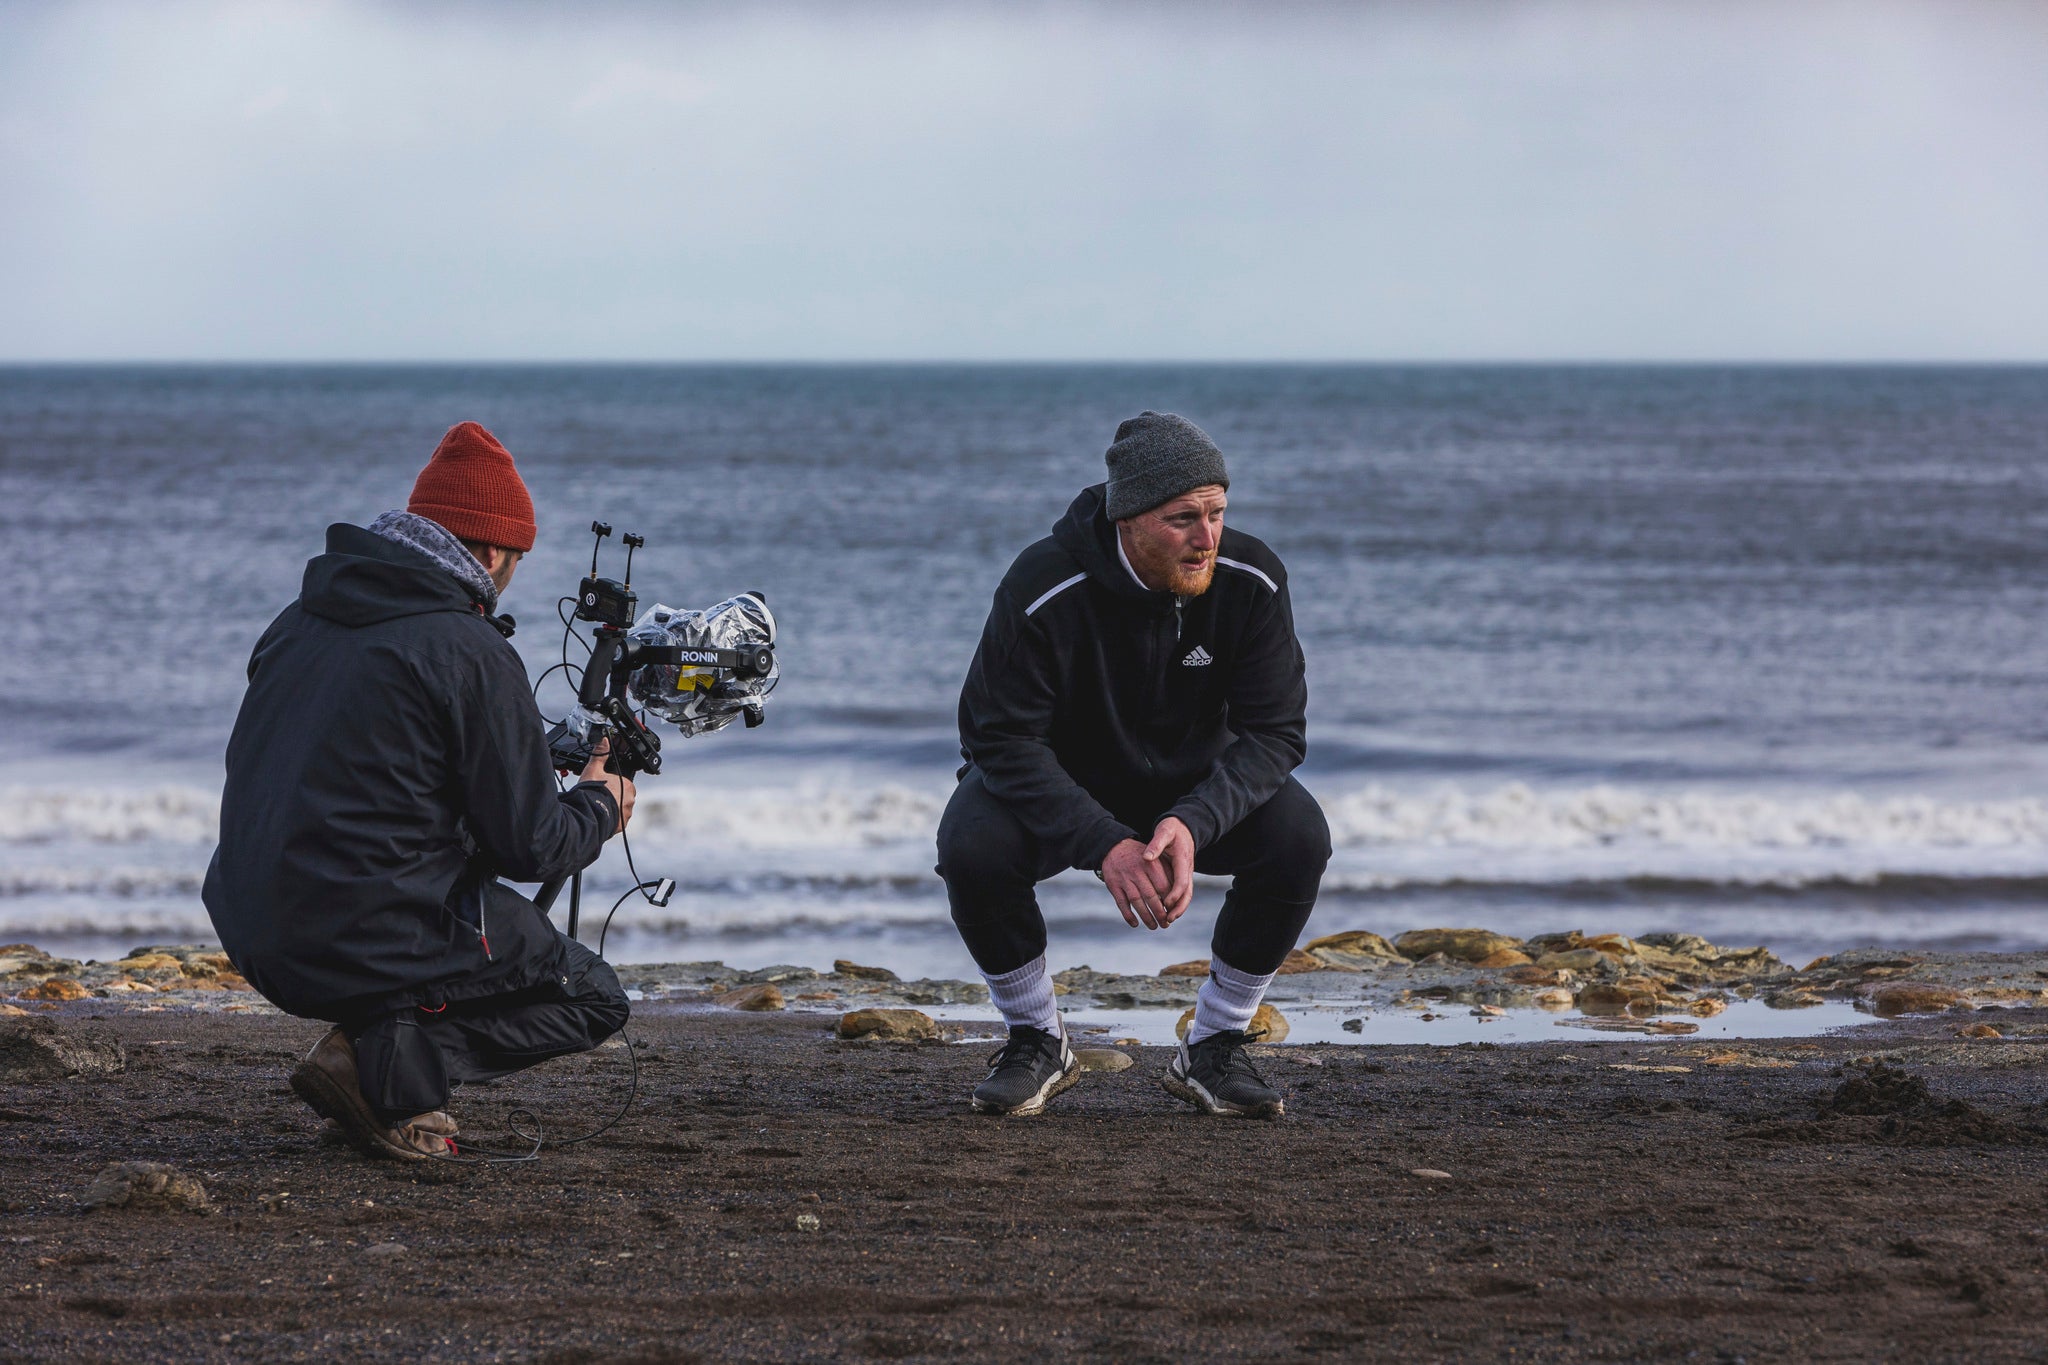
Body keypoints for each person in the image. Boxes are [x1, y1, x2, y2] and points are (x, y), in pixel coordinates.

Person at [202, 422, 635, 1161]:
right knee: (593, 995)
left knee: (423, 895)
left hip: (254, 925)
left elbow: (368, 774)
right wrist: (600, 805)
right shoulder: (468, 649)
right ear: (494, 551)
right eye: (517, 561)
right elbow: (530, 847)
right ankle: (387, 1071)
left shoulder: (297, 619)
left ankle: (376, 1051)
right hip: (359, 932)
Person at [939, 411, 1330, 1119]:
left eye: (1216, 512)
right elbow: (996, 737)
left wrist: (1193, 818)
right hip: (1066, 783)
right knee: (971, 840)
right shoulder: (1043, 584)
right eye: (1183, 518)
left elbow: (1275, 733)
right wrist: (1103, 843)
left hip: (1192, 788)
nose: (1207, 537)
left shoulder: (1252, 578)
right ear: (1128, 519)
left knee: (1299, 834)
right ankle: (1036, 1039)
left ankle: (1213, 1045)